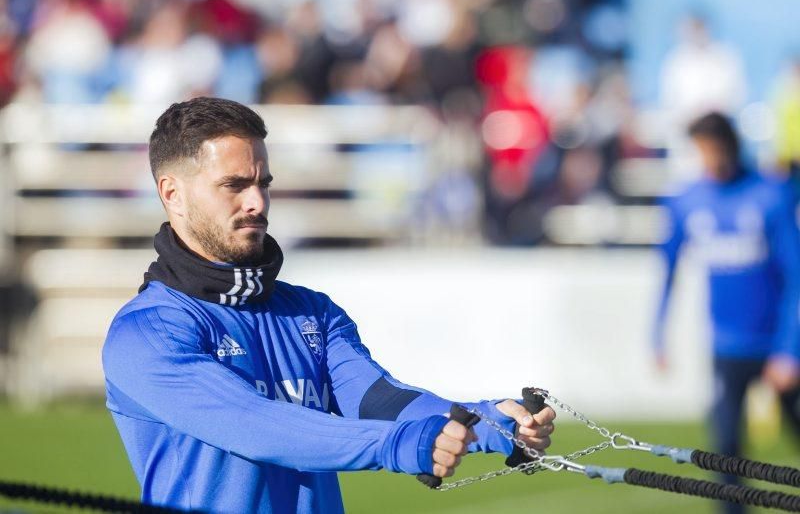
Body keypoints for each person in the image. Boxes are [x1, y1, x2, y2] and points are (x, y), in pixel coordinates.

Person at [102, 97, 555, 514]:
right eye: (234, 185)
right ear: (171, 193)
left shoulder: (312, 311)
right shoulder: (146, 331)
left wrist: (487, 420)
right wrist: (396, 445)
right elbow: (257, 425)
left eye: (263, 183)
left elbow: (379, 400)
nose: (257, 202)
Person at [653, 112, 800, 514]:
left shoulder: (771, 195)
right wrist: (657, 334)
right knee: (726, 454)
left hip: (777, 347)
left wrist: (790, 351)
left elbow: (796, 277)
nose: (708, 158)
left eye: (713, 148)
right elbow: (667, 268)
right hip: (726, 347)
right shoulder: (687, 200)